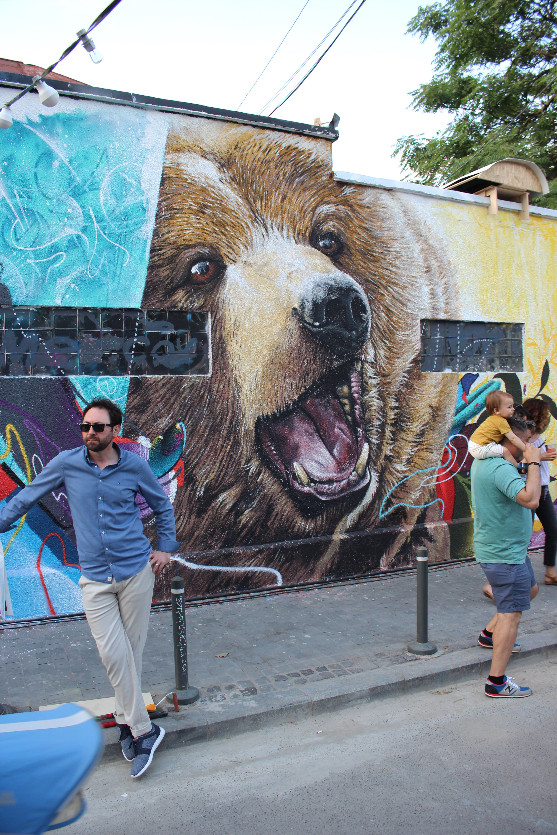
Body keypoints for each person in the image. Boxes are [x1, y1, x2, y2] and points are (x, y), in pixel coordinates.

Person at [0, 398, 180, 777]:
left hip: (135, 575)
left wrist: (165, 548)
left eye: (98, 427)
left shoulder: (134, 466)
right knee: (115, 657)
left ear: (115, 430)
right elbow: (26, 497)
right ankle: (146, 731)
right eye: (86, 427)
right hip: (95, 581)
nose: (90, 434)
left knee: (130, 656)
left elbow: (162, 506)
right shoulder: (66, 463)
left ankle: (126, 729)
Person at [471, 414, 541, 697]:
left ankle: (489, 635)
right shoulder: (500, 469)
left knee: (531, 589)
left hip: (508, 549)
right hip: (504, 554)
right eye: (525, 441)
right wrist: (534, 463)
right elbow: (531, 499)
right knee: (511, 614)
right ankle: (496, 682)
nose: (527, 446)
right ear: (508, 440)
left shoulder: (490, 463)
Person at [522, 398, 557, 584]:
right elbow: (516, 461)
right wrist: (541, 456)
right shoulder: (521, 436)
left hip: (543, 489)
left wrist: (544, 456)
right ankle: (515, 575)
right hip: (530, 489)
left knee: (553, 529)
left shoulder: (538, 436)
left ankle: (550, 572)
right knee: (524, 534)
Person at [468, 390, 526, 466]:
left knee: (499, 449)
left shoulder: (493, 418)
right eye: (509, 407)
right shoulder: (501, 421)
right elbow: (513, 439)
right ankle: (517, 466)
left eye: (512, 406)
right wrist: (526, 449)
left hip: (474, 445)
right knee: (504, 451)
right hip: (479, 447)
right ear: (497, 410)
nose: (513, 409)